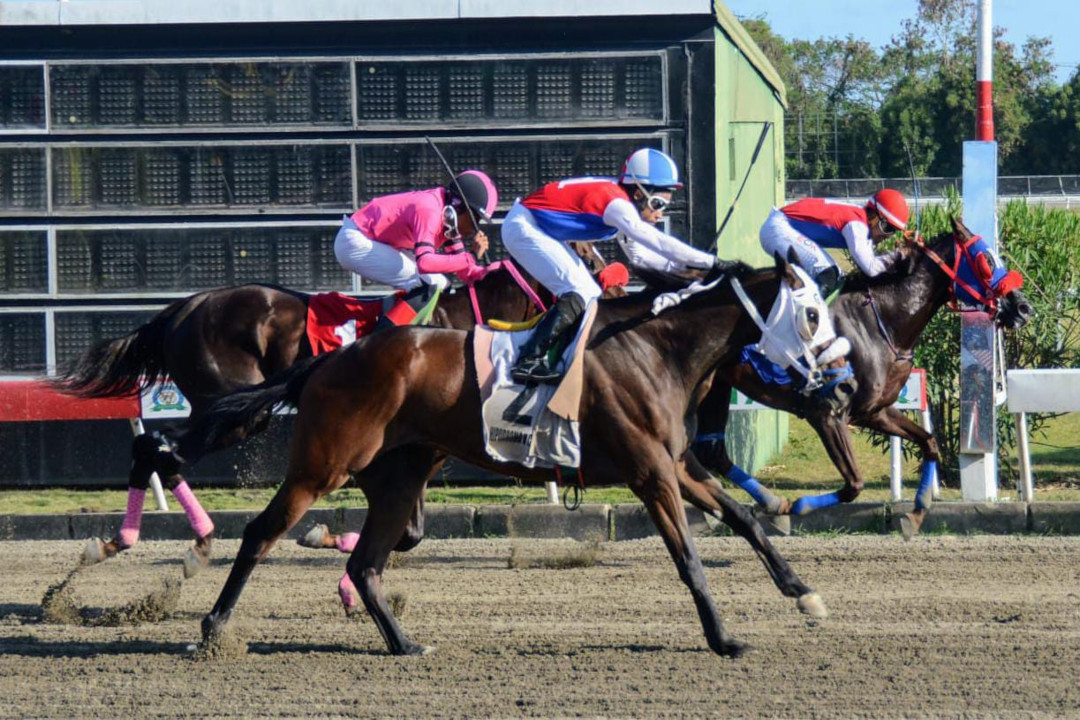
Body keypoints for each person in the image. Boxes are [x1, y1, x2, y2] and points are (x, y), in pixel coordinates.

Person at [501, 147, 722, 384]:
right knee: (580, 290)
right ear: (638, 193)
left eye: (664, 207)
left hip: (539, 228)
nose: (660, 214)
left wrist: (691, 272)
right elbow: (658, 242)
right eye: (657, 204)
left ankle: (555, 356)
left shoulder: (622, 205)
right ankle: (528, 360)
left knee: (591, 294)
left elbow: (642, 258)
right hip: (524, 227)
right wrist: (711, 262)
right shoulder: (617, 205)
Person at [334, 170, 498, 321]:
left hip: (371, 240)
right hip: (354, 242)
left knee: (442, 283)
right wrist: (472, 256)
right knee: (431, 283)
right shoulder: (429, 209)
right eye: (475, 220)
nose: (475, 228)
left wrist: (493, 272)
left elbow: (465, 272)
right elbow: (425, 263)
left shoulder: (448, 216)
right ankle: (386, 336)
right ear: (459, 206)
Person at [759, 188, 910, 297]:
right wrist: (902, 254)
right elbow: (870, 268)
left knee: (836, 278)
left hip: (782, 227)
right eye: (887, 228)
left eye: (894, 231)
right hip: (779, 228)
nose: (888, 235)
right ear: (873, 217)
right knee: (829, 274)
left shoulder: (862, 222)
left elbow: (873, 265)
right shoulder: (857, 225)